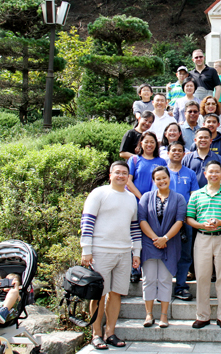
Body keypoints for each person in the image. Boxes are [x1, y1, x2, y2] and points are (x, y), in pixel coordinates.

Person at [80, 161, 141, 350]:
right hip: (100, 250)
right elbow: (87, 222)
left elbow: (134, 227)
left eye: (125, 173)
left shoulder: (131, 198)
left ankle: (110, 332)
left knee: (116, 294)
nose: (121, 176)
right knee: (99, 294)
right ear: (110, 175)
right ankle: (96, 333)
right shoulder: (99, 193)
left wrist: (136, 252)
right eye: (118, 173)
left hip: (123, 251)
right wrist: (86, 249)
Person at [186, 161, 221, 329]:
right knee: (202, 277)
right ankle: (202, 315)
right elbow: (189, 218)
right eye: (210, 172)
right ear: (205, 174)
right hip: (202, 238)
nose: (213, 174)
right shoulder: (197, 194)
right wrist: (201, 225)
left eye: (217, 172)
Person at [138, 166, 186, 328]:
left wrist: (164, 238)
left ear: (169, 178)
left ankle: (164, 316)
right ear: (154, 181)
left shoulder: (179, 198)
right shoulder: (146, 197)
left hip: (170, 243)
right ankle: (149, 314)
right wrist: (155, 238)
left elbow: (180, 221)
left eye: (164, 178)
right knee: (149, 279)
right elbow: (142, 220)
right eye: (158, 179)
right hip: (149, 244)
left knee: (165, 280)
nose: (161, 181)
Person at [167, 141, 200, 302]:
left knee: (185, 254)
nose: (177, 153)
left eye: (180, 150)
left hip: (185, 220)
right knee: (164, 253)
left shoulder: (190, 173)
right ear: (168, 153)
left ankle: (181, 286)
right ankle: (164, 287)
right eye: (174, 150)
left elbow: (194, 196)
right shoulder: (161, 171)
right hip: (165, 220)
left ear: (184, 153)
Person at [127, 131, 168, 201]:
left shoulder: (162, 162)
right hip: (135, 199)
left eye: (152, 142)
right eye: (146, 142)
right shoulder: (134, 159)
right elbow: (128, 181)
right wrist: (141, 197)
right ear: (141, 143)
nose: (149, 144)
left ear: (156, 144)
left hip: (155, 201)